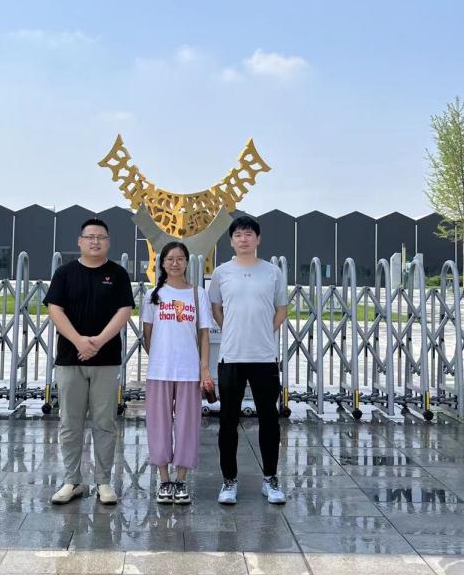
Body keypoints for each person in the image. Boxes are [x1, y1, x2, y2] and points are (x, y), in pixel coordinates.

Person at [45, 218, 134, 506]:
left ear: (108, 242)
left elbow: (124, 311)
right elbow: (55, 309)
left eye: (101, 237)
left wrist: (97, 342)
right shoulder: (65, 273)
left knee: (104, 422)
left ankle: (103, 482)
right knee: (70, 423)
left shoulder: (117, 274)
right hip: (70, 359)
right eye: (90, 236)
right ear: (80, 241)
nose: (95, 241)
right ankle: (72, 481)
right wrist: (79, 341)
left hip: (106, 360)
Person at [208, 215, 288, 505]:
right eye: (238, 235)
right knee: (228, 420)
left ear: (258, 239)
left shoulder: (272, 272)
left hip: (264, 356)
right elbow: (216, 308)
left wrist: (264, 331)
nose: (244, 239)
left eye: (249, 234)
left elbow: (281, 309)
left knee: (269, 419)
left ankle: (270, 479)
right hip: (231, 356)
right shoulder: (221, 273)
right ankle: (229, 480)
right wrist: (231, 329)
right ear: (231, 241)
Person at [142, 241, 214, 505]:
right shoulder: (153, 295)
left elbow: (204, 334)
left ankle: (181, 480)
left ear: (186, 262)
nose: (175, 263)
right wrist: (162, 356)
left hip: (189, 371)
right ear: (162, 263)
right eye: (170, 259)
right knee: (158, 424)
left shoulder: (197, 294)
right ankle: (164, 480)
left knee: (187, 425)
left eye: (180, 259)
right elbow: (147, 336)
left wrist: (203, 368)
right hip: (159, 370)